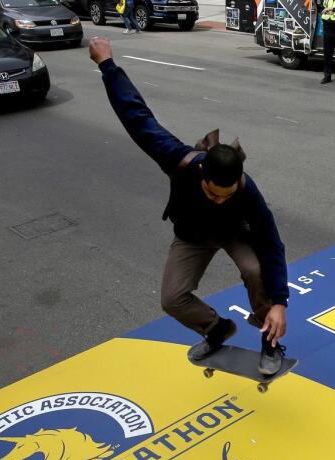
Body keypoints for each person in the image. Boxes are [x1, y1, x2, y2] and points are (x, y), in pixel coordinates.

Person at [88, 36, 291, 373]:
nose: (219, 199)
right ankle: (216, 329)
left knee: (256, 270)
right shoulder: (179, 160)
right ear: (201, 174)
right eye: (213, 193)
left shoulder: (246, 191)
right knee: (172, 299)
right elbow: (138, 117)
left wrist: (280, 303)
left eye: (227, 195)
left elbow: (271, 243)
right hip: (193, 234)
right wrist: (107, 65)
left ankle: (270, 341)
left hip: (231, 232)